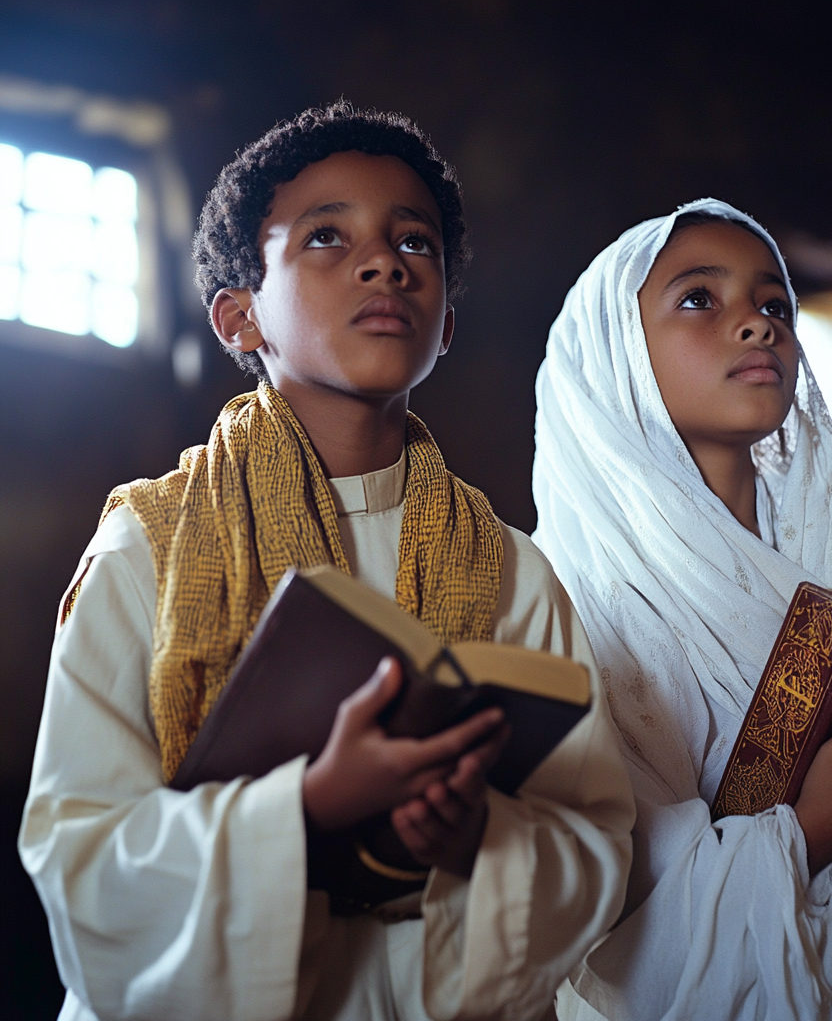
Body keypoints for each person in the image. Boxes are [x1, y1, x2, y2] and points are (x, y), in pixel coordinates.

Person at [19, 101, 634, 1021]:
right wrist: (302, 810)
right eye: (325, 237)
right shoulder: (150, 543)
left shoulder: (513, 570)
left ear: (447, 329)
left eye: (414, 244)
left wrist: (475, 834)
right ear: (239, 318)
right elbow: (83, 851)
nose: (384, 262)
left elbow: (592, 837)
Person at [532, 199, 832, 1020]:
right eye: (698, 298)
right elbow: (616, 944)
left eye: (774, 304)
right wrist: (818, 827)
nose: (757, 325)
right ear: (612, 353)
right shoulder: (571, 608)